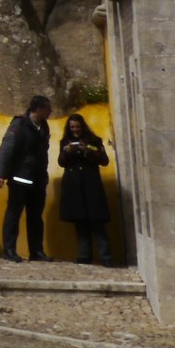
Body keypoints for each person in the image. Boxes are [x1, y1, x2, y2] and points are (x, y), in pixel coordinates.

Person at [0, 95, 55, 262]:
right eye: (47, 108)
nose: (50, 111)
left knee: (35, 216)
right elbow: (6, 148)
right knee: (14, 214)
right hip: (20, 177)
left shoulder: (43, 126)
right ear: (38, 109)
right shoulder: (19, 125)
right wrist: (0, 174)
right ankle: (9, 250)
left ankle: (36, 251)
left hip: (38, 178)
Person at [57, 113, 114, 266]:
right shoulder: (65, 142)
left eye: (77, 126)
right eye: (72, 127)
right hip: (74, 187)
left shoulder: (94, 141)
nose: (75, 130)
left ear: (82, 126)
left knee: (97, 222)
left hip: (91, 185)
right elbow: (61, 162)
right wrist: (66, 152)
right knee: (80, 222)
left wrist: (87, 149)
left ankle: (106, 257)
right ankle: (84, 256)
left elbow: (104, 160)